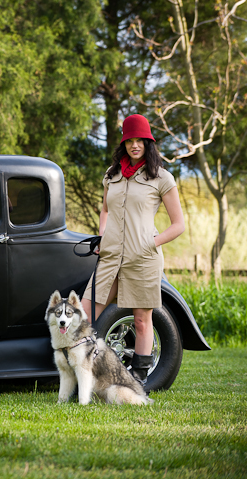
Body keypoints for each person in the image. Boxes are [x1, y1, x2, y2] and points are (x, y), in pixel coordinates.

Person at [82, 114, 185, 389]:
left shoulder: (162, 177)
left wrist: (151, 242)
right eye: (130, 140)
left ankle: (138, 382)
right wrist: (102, 237)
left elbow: (179, 225)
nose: (135, 145)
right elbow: (105, 210)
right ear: (124, 143)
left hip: (143, 260)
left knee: (141, 320)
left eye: (140, 140)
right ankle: (84, 377)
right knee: (84, 314)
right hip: (110, 257)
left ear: (148, 143)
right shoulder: (111, 174)